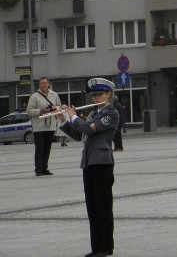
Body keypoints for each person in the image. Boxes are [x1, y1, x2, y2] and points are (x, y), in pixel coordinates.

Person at [58, 77, 119, 257]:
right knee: (92, 208)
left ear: (108, 94)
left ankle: (106, 247)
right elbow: (79, 135)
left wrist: (74, 116)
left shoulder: (111, 113)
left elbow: (90, 129)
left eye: (99, 94)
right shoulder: (93, 114)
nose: (95, 98)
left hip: (102, 164)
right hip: (89, 163)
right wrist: (64, 120)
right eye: (93, 95)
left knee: (103, 208)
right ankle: (96, 247)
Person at [26, 76, 61, 176]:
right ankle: (38, 169)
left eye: (45, 83)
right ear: (39, 84)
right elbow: (29, 111)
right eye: (41, 83)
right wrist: (41, 111)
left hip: (50, 126)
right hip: (39, 127)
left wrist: (55, 108)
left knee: (47, 148)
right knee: (39, 148)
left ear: (48, 84)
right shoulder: (34, 97)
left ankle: (45, 168)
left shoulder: (54, 95)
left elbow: (59, 106)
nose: (43, 85)